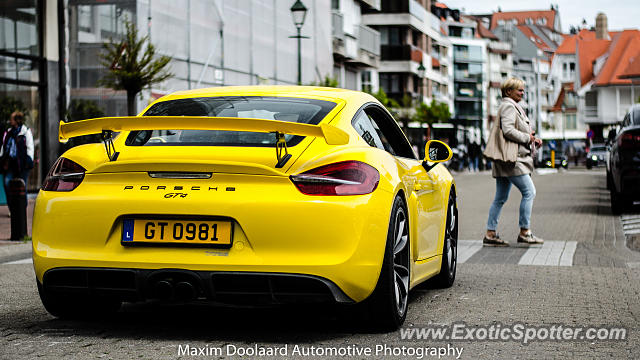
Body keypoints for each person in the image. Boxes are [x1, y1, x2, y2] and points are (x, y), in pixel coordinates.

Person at [483, 78, 543, 246]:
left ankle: (490, 233)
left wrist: (531, 138)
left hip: (506, 160)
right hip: (512, 160)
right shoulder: (509, 106)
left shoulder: (510, 106)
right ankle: (525, 231)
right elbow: (509, 130)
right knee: (529, 192)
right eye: (519, 90)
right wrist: (527, 138)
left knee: (500, 197)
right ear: (508, 91)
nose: (522, 93)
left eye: (523, 90)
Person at [1, 111, 34, 210]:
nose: (10, 121)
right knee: (7, 183)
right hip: (11, 164)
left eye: (12, 119)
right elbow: (4, 146)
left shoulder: (25, 132)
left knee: (22, 186)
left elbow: (30, 147)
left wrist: (29, 161)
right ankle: (12, 208)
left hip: (23, 164)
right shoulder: (9, 132)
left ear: (17, 120)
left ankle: (22, 209)